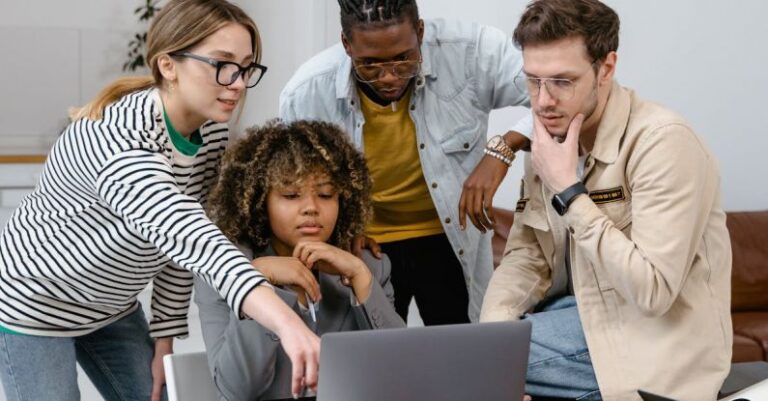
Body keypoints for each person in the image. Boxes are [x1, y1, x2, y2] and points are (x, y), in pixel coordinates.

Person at [0, 1, 319, 400]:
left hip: (112, 305)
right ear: (168, 65)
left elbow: (177, 250)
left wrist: (165, 335)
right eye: (222, 64)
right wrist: (288, 325)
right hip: (36, 304)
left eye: (245, 67)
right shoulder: (119, 143)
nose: (237, 82)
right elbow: (194, 240)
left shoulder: (211, 135)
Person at [480, 0, 732, 400]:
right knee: (476, 356)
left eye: (563, 81)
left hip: (655, 338)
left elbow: (653, 292)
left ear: (606, 69)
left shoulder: (663, 141)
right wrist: (495, 337)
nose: (543, 101)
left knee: (464, 370)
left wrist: (569, 190)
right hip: (579, 315)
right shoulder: (551, 134)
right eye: (533, 81)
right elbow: (527, 256)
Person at [279, 0, 532, 325]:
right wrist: (340, 230)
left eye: (403, 59)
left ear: (420, 32)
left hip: (451, 240)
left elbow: (561, 93)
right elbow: (296, 187)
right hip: (368, 248)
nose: (388, 77)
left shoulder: (474, 51)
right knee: (376, 359)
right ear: (346, 43)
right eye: (370, 64)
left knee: (462, 355)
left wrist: (504, 148)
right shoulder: (307, 93)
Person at [195, 120, 405, 401]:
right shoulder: (224, 268)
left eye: (326, 194)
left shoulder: (369, 264)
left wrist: (360, 277)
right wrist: (263, 282)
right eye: (291, 195)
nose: (311, 208)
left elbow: (400, 373)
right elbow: (237, 390)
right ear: (260, 200)